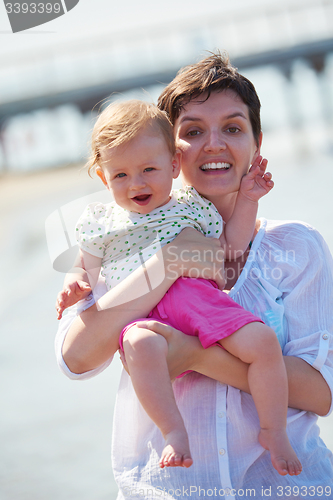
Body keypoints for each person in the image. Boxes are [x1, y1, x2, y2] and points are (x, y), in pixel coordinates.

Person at [55, 52, 333, 498]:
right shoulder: (118, 242)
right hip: (169, 489)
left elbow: (320, 394)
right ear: (170, 150)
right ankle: (175, 437)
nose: (214, 144)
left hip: (292, 488)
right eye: (193, 132)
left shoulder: (296, 247)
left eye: (233, 128)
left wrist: (196, 356)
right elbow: (75, 359)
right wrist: (165, 265)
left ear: (257, 143)